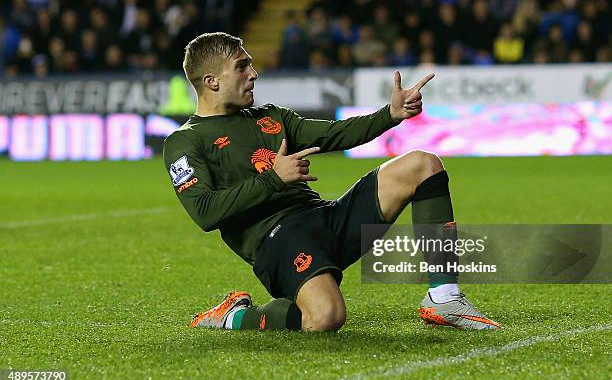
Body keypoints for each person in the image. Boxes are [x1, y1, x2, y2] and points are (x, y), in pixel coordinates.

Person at [163, 32, 500, 332]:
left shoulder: (270, 117)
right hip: (276, 240)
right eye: (242, 66)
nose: (254, 74)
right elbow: (205, 213)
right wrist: (273, 179)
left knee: (422, 164)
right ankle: (235, 316)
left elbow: (333, 134)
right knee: (325, 318)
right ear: (211, 81)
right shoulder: (184, 142)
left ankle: (443, 298)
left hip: (324, 217)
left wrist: (390, 114)